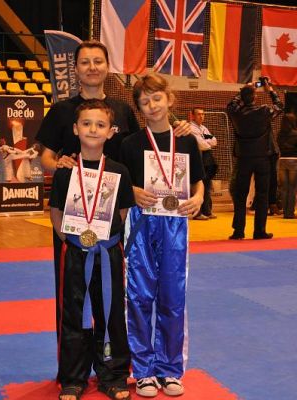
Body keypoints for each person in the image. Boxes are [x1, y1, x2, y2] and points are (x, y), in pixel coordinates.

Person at [36, 39, 191, 336]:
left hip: (115, 215)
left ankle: (110, 354)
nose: (92, 67)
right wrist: (59, 166)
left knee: (112, 288)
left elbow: (146, 148)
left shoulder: (122, 110)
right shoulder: (61, 111)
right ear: (76, 68)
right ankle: (73, 359)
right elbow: (45, 157)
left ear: (108, 67)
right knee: (71, 291)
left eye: (98, 61)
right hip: (74, 214)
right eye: (85, 62)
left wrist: (178, 129)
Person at [120, 72, 204, 398]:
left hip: (175, 224)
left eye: (157, 98)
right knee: (139, 296)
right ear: (139, 108)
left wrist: (198, 198)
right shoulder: (130, 144)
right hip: (141, 223)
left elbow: (197, 180)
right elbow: (120, 182)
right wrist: (132, 191)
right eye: (145, 102)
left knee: (172, 296)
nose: (152, 105)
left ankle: (169, 368)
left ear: (169, 99)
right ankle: (143, 370)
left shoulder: (186, 140)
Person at [50, 99, 135, 400]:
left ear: (111, 132)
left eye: (100, 124)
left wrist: (104, 240)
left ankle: (113, 375)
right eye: (86, 123)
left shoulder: (119, 171)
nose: (93, 129)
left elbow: (122, 212)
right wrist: (72, 241)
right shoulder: (65, 172)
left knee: (111, 312)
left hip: (108, 252)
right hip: (75, 253)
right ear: (75, 129)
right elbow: (56, 212)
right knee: (74, 314)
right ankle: (74, 377)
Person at [227, 79, 283, 240]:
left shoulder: (236, 113)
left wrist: (245, 89)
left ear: (242, 98)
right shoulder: (264, 111)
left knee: (240, 195)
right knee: (262, 195)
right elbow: (279, 106)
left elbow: (231, 105)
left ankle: (238, 231)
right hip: (262, 158)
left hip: (244, 158)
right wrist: (270, 90)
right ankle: (260, 231)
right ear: (255, 97)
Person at [190, 107, 218, 220]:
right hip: (197, 160)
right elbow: (201, 145)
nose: (201, 116)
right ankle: (197, 213)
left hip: (206, 161)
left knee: (207, 185)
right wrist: (208, 143)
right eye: (199, 114)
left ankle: (207, 211)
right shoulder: (191, 128)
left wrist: (207, 143)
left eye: (203, 114)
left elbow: (214, 140)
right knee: (198, 186)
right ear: (193, 116)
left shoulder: (203, 128)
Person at [277, 113, 297, 219]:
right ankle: (290, 213)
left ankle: (285, 212)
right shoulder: (296, 134)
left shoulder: (280, 134)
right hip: (294, 161)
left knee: (284, 188)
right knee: (292, 188)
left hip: (282, 161)